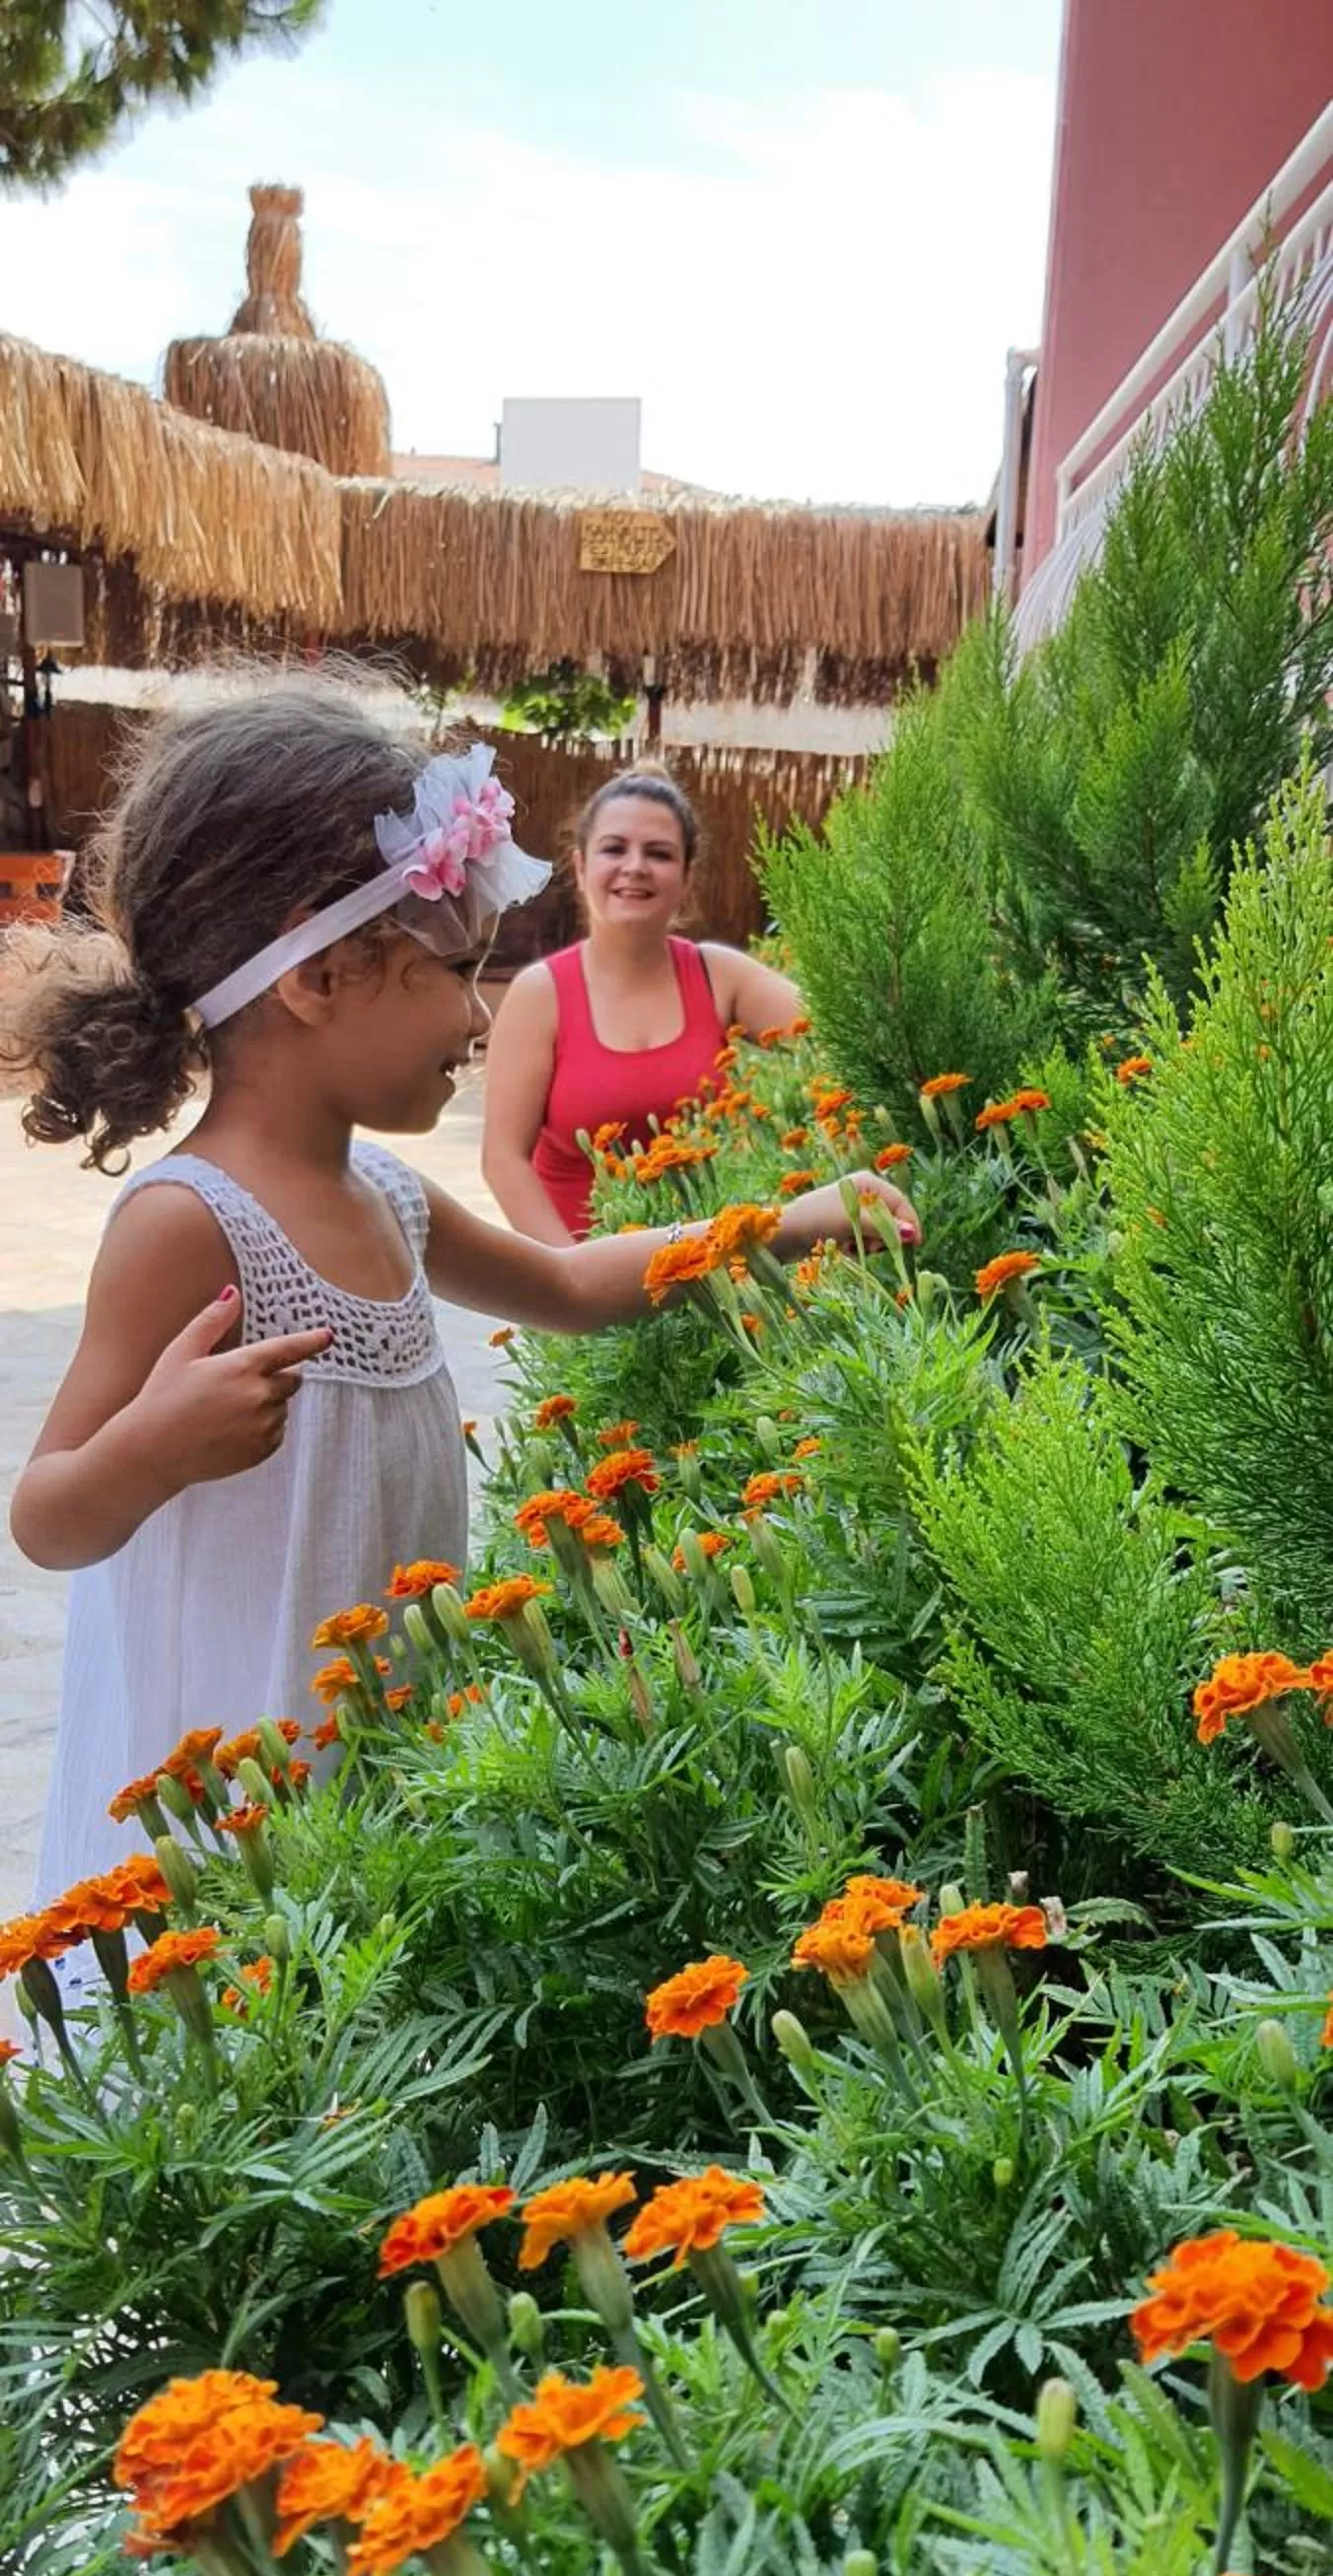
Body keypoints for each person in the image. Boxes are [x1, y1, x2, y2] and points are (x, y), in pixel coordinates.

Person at [4, 680, 919, 1922]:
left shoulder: (386, 1192)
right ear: (319, 973)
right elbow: (48, 1518)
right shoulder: (191, 1223)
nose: (480, 1013)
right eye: (453, 969)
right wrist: (154, 1447)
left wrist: (780, 1222)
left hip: (377, 1750)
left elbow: (571, 1285)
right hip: (234, 1776)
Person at [482, 766, 805, 1241]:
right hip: (580, 1268)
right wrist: (573, 1273)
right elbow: (503, 1161)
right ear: (580, 867)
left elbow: (840, 1037)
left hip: (711, 1270)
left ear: (687, 877)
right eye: (615, 849)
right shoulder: (539, 994)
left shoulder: (719, 976)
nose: (635, 866)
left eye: (659, 853)